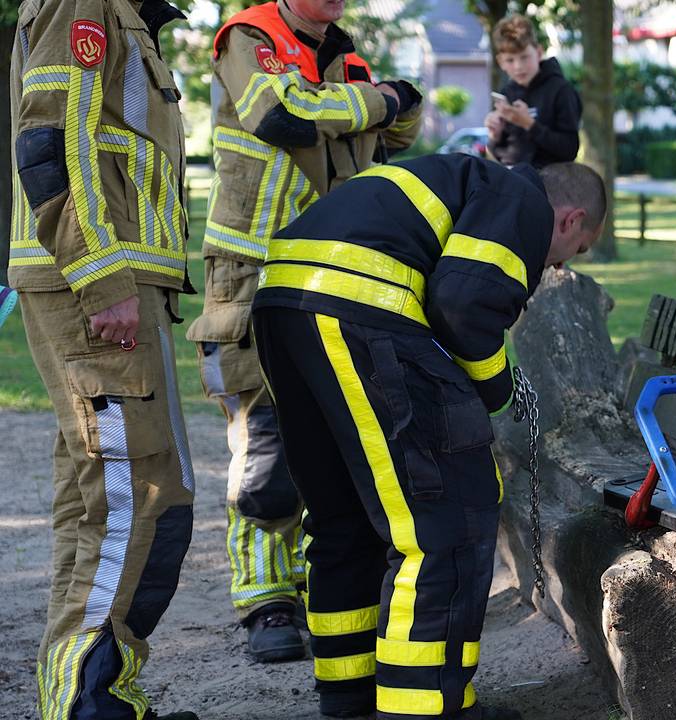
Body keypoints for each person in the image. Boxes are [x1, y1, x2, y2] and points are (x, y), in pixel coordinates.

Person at [251, 157, 605, 719]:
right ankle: (426, 706)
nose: (558, 264)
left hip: (284, 304)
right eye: (577, 250)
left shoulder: (459, 178)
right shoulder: (523, 199)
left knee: (347, 520)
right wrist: (497, 387)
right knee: (447, 521)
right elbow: (463, 308)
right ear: (570, 220)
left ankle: (350, 697)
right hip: (361, 309)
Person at [186, 0, 425, 664]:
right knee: (266, 450)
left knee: (335, 439)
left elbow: (406, 126)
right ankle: (266, 601)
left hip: (333, 277)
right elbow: (281, 117)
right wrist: (378, 99)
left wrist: (377, 99)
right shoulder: (249, 36)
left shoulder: (349, 60)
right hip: (251, 276)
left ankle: (331, 589)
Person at [9, 0, 197, 717]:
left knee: (97, 503)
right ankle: (94, 702)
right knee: (145, 497)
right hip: (95, 284)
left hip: (111, 283)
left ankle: (81, 700)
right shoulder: (86, 1)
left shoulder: (127, 15)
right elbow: (51, 140)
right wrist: (101, 277)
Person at [484, 15, 581, 168]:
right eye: (510, 60)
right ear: (500, 62)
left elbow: (569, 150)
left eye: (524, 57)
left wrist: (529, 124)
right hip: (511, 177)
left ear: (538, 52)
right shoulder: (507, 92)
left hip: (550, 181)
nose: (518, 66)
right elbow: (500, 153)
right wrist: (495, 135)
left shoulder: (561, 90)